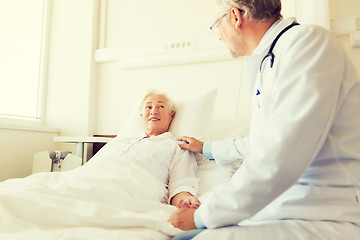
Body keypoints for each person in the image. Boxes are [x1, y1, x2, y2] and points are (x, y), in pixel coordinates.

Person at [169, 0, 360, 239]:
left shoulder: (308, 43)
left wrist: (203, 216)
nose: (218, 35)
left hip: (318, 213)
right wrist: (205, 147)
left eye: (216, 25)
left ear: (236, 16)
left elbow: (282, 154)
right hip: (282, 208)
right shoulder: (266, 61)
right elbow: (263, 143)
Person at [0, 91, 200, 235]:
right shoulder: (121, 141)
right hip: (85, 179)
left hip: (130, 186)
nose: (153, 110)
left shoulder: (177, 145)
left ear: (171, 115)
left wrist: (183, 199)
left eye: (160, 106)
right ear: (141, 115)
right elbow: (92, 167)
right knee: (15, 193)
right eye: (148, 106)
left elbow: (180, 183)